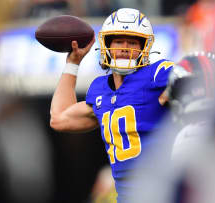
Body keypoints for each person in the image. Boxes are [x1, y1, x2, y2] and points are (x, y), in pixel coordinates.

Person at [50, 8, 175, 202]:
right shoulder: (100, 90)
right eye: (118, 41)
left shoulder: (155, 75)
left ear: (145, 47)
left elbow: (188, 77)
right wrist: (73, 63)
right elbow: (59, 118)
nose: (125, 47)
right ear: (107, 44)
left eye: (132, 41)